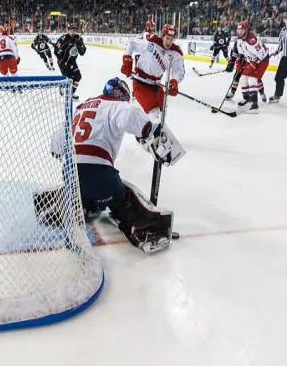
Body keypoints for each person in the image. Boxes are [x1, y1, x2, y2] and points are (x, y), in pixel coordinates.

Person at [44, 78, 183, 254]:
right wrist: (148, 129)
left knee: (86, 190)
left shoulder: (79, 109)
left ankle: (80, 204)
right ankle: (145, 227)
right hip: (99, 174)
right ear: (120, 94)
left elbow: (57, 147)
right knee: (123, 196)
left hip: (69, 173)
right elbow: (131, 115)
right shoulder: (115, 105)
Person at [121, 24, 185, 121]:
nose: (169, 42)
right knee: (153, 112)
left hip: (156, 85)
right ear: (162, 36)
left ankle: (157, 133)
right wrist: (127, 61)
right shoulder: (152, 42)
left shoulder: (176, 53)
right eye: (167, 38)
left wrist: (174, 81)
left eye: (172, 39)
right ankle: (146, 133)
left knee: (162, 111)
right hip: (140, 83)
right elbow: (132, 43)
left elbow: (179, 71)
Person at [235, 20, 269, 113]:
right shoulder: (239, 40)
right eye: (238, 31)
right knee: (242, 78)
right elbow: (241, 54)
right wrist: (239, 61)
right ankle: (247, 98)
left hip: (262, 60)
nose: (239, 32)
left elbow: (262, 55)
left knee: (253, 79)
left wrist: (253, 64)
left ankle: (255, 106)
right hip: (252, 60)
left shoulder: (252, 41)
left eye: (241, 30)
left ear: (246, 30)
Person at [54, 23, 86, 100]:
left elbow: (82, 53)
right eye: (70, 30)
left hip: (72, 62)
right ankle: (62, 85)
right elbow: (56, 51)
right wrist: (61, 61)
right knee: (69, 78)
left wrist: (79, 45)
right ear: (68, 30)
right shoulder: (63, 38)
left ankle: (71, 93)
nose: (72, 31)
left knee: (78, 77)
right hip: (63, 62)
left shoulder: (78, 38)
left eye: (74, 30)